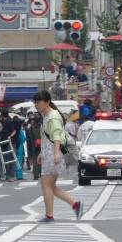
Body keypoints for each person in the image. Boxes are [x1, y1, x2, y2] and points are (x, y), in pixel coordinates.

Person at [34, 90, 82, 223]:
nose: (36, 104)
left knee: (46, 185)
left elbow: (56, 136)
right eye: (35, 102)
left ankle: (50, 215)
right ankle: (74, 204)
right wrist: (41, 153)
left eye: (39, 102)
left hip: (52, 153)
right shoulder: (48, 115)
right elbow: (47, 137)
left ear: (47, 102)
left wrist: (55, 153)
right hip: (49, 152)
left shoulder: (52, 116)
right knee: (51, 186)